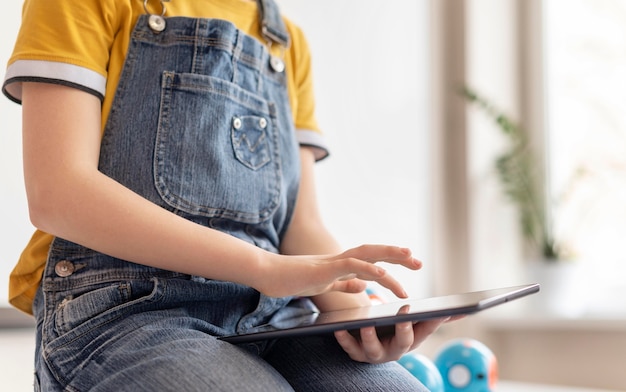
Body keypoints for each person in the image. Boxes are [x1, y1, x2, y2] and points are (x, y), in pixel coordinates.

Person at [2, 0, 447, 390]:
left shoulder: (287, 42)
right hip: (123, 312)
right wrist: (262, 267)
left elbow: (298, 225)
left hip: (274, 315)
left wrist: (359, 320)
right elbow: (57, 193)